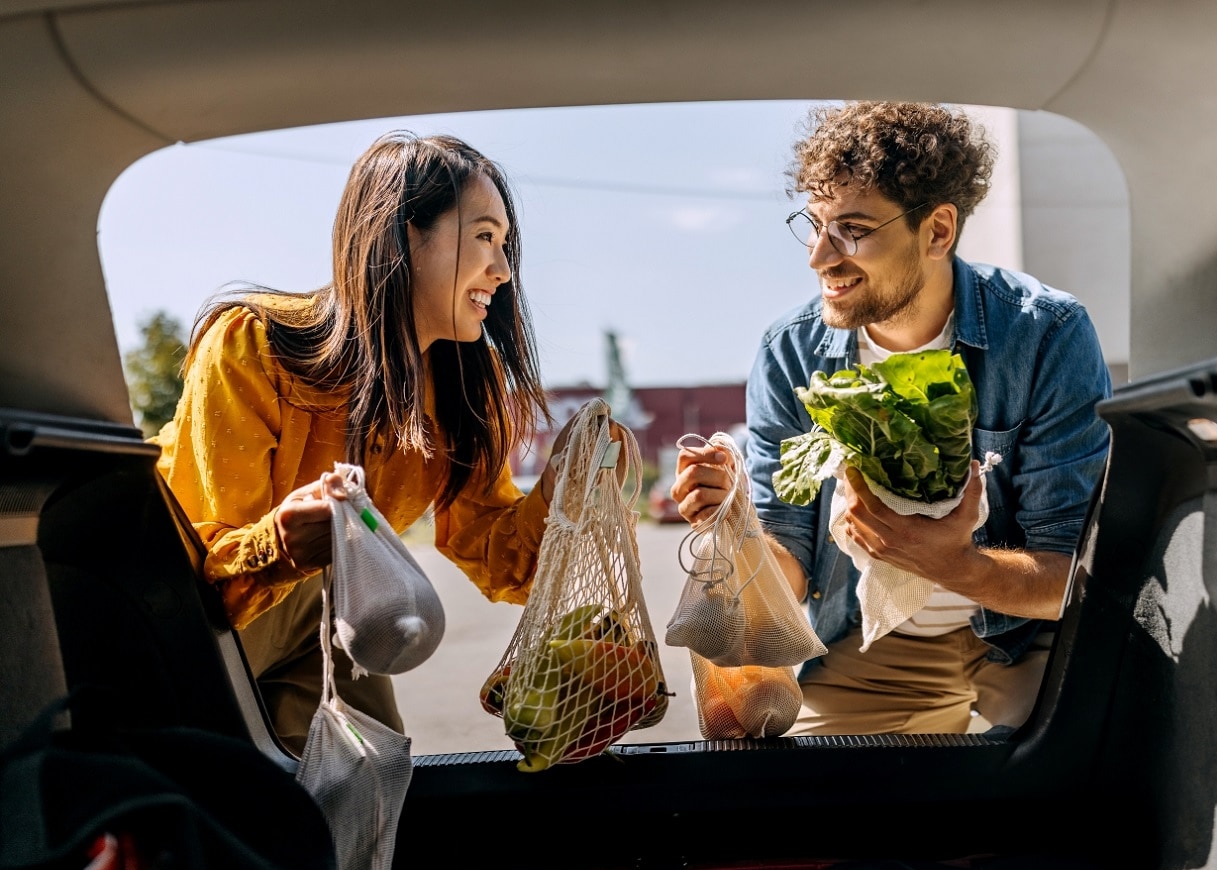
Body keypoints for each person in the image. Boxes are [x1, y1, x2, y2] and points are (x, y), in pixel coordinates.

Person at [155, 131, 613, 755]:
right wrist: (282, 545)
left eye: (504, 245)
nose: (503, 273)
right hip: (170, 632)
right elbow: (211, 578)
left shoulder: (461, 393)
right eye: (484, 236)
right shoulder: (252, 347)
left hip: (317, 626)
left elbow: (500, 562)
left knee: (375, 777)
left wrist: (563, 489)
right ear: (401, 237)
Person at [672, 102, 1112, 735]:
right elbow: (788, 561)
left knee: (1075, 786)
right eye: (815, 224)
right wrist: (734, 522)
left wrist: (955, 566)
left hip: (1026, 636)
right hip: (872, 643)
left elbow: (1068, 571)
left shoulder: (1045, 334)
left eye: (851, 228)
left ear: (936, 231)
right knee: (811, 811)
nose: (820, 257)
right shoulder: (789, 352)